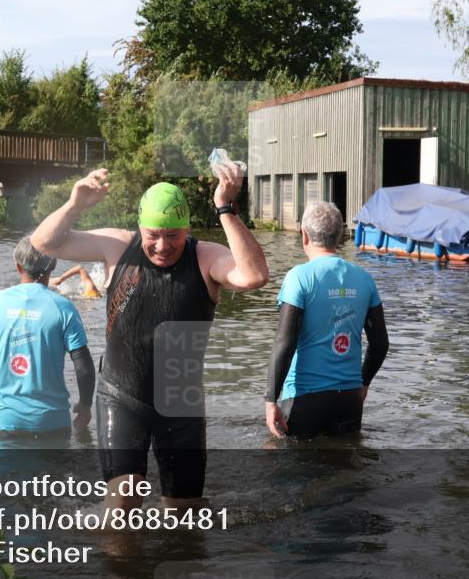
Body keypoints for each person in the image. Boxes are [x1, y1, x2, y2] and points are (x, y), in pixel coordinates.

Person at [31, 165, 268, 510]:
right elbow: (44, 243)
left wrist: (225, 208)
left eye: (173, 235)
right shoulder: (118, 247)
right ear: (141, 227)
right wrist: (76, 204)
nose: (162, 245)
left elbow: (254, 275)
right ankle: (108, 541)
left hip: (180, 403)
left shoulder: (204, 257)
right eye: (153, 234)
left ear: (186, 230)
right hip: (122, 395)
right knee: (124, 499)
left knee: (182, 515)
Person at [264, 202, 389, 440]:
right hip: (349, 399)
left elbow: (285, 343)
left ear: (304, 235)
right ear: (340, 236)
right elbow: (380, 343)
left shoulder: (298, 277)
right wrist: (362, 384)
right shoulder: (364, 279)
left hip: (305, 398)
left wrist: (271, 399)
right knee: (345, 469)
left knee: (295, 468)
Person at [0, 236, 96, 437]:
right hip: (52, 423)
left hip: (6, 421)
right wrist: (86, 404)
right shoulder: (63, 307)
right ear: (53, 265)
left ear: (18, 267)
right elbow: (83, 367)